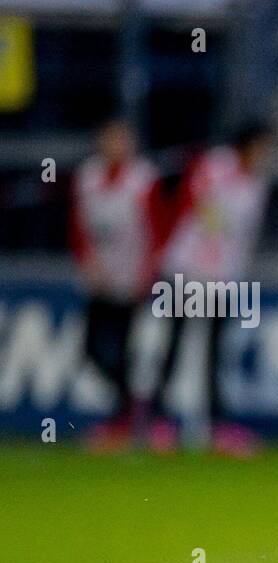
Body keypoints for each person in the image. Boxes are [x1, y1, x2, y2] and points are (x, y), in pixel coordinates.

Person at [149, 121, 273, 456]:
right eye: (262, 147)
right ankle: (159, 422)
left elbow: (243, 238)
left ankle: (216, 426)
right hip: (188, 270)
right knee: (174, 345)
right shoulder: (217, 166)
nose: (266, 155)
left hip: (223, 278)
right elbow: (192, 202)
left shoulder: (257, 184)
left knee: (215, 352)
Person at [69, 118, 166, 452]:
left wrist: (148, 272)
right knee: (92, 348)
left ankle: (125, 418)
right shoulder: (88, 177)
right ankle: (131, 406)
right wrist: (87, 261)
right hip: (99, 278)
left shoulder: (143, 179)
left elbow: (156, 227)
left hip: (131, 278)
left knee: (124, 348)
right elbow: (78, 225)